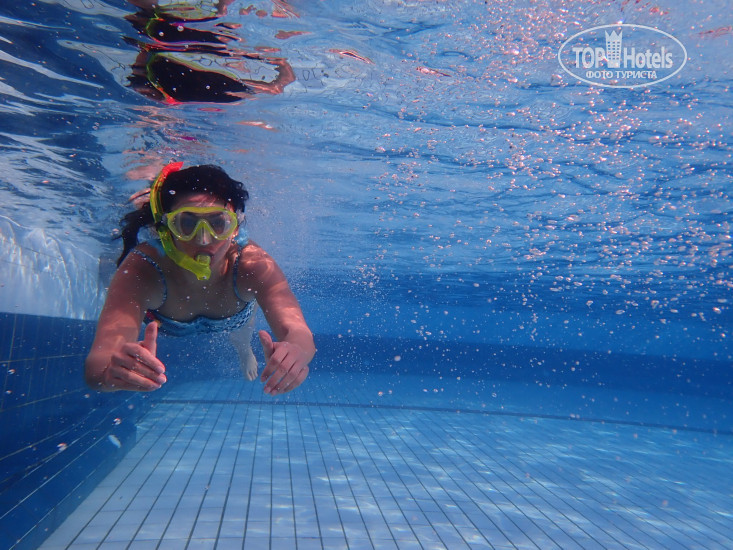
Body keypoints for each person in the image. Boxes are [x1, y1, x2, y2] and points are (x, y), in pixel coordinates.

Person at [85, 162, 315, 395]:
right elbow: (98, 364)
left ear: (235, 228)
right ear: (166, 229)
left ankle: (244, 349)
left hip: (237, 317)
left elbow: (298, 332)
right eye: (187, 223)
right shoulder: (143, 270)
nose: (203, 239)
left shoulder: (252, 264)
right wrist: (109, 373)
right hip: (171, 320)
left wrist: (297, 352)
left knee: (242, 332)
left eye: (218, 223)